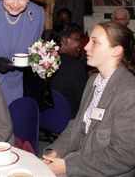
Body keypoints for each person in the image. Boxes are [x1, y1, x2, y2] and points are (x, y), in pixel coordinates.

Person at [42, 21, 135, 176]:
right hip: (83, 157)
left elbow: (123, 156)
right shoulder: (94, 80)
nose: (85, 47)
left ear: (116, 50)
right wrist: (56, 151)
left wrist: (68, 166)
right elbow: (77, 125)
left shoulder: (129, 93)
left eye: (95, 42)